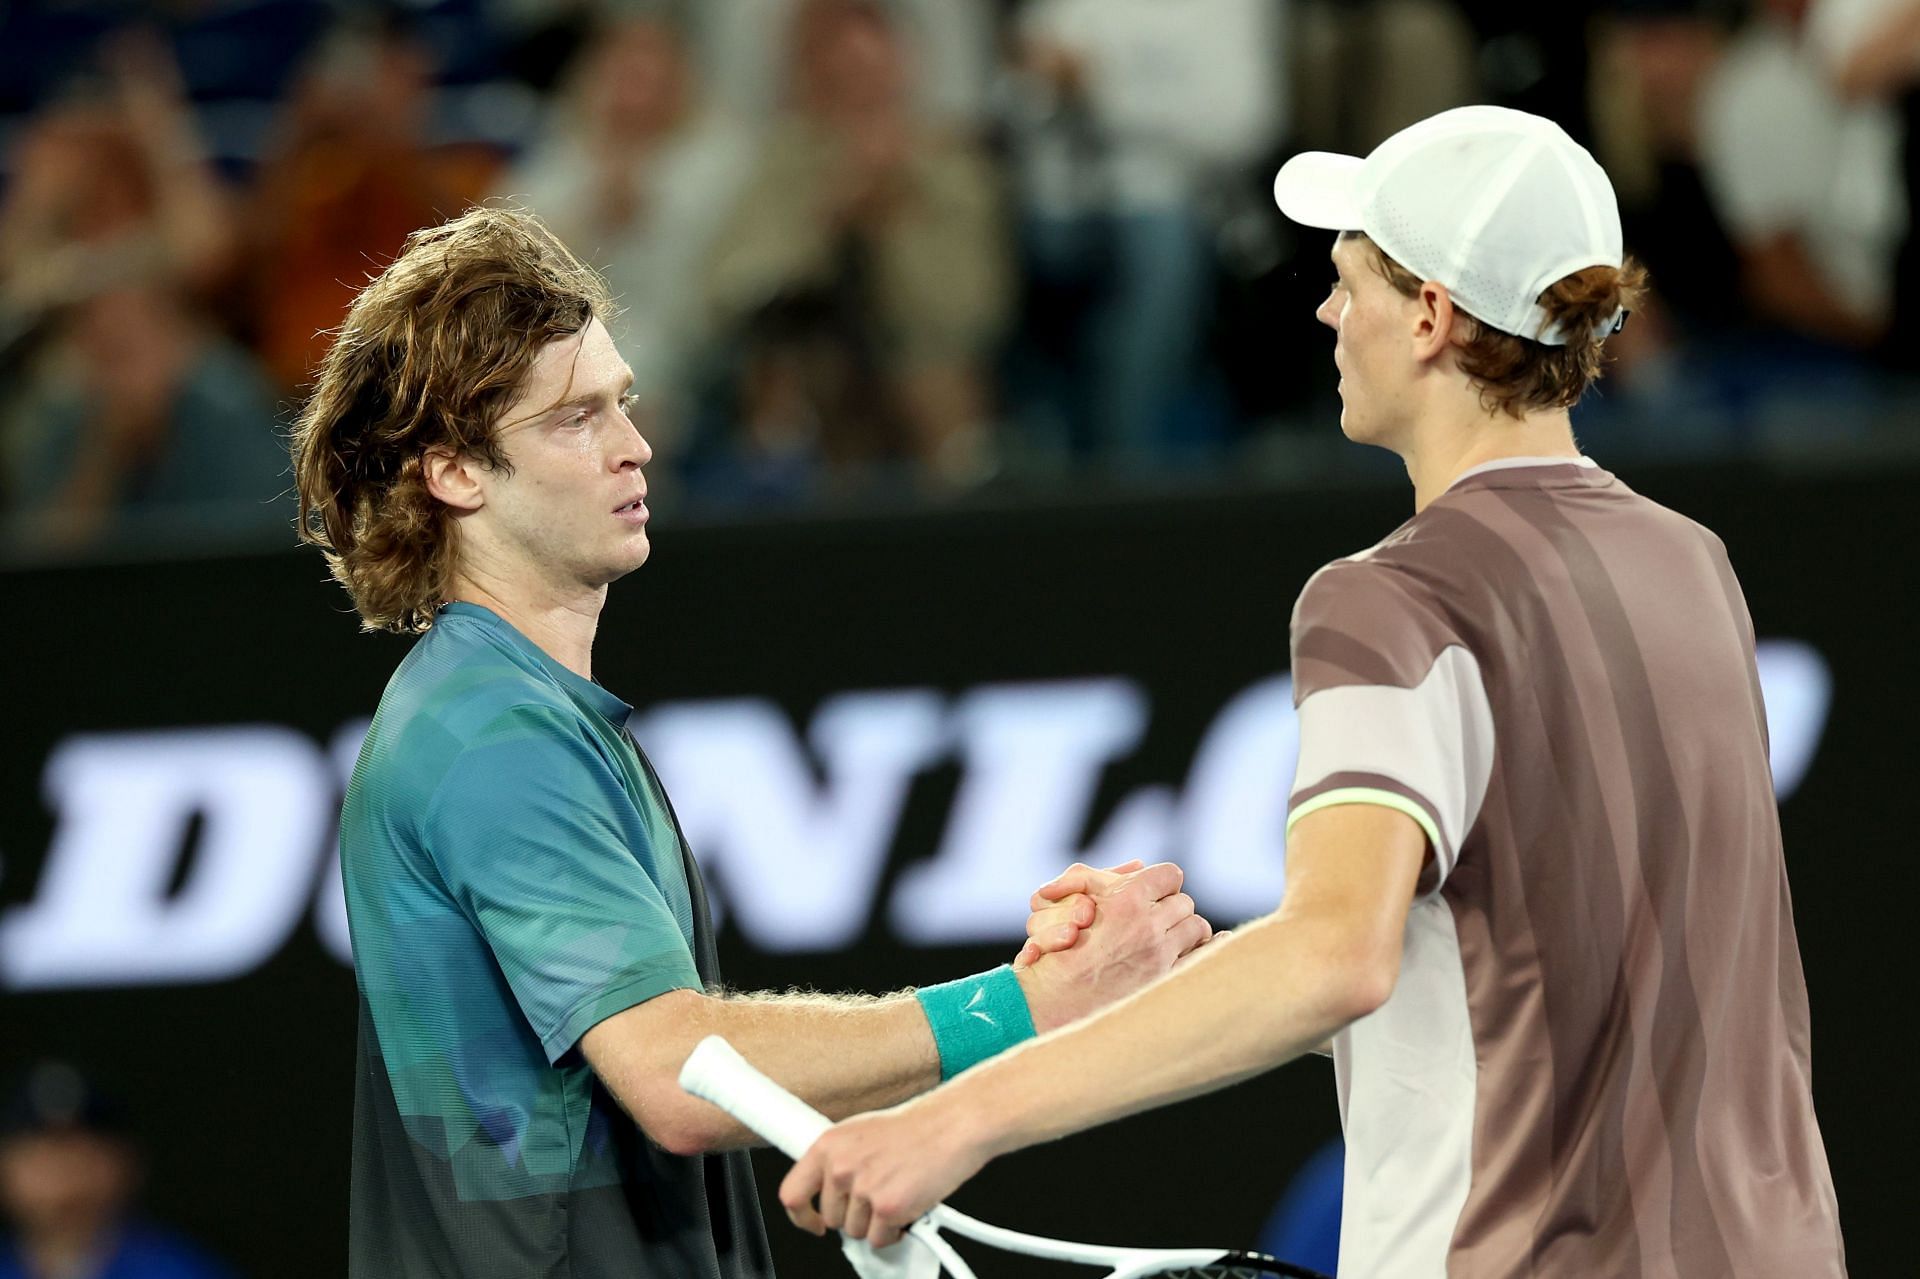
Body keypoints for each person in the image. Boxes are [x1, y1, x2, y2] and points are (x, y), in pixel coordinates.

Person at [778, 106, 1848, 1278]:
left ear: (1432, 317)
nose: (1330, 314)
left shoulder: (1393, 597)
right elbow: (1530, 969)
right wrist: (1170, 975)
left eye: (1350, 282)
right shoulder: (1692, 564)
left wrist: (952, 1119)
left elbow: (1337, 954)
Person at [287, 205, 1211, 1279]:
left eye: (622, 403)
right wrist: (1022, 1003)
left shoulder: (515, 713)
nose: (634, 446)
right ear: (455, 473)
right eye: (574, 419)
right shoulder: (495, 739)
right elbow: (679, 1074)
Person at [0, 1062, 234, 1279]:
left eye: (84, 1157)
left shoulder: (183, 1271)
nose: (65, 1181)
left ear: (127, 1165)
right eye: (44, 1160)